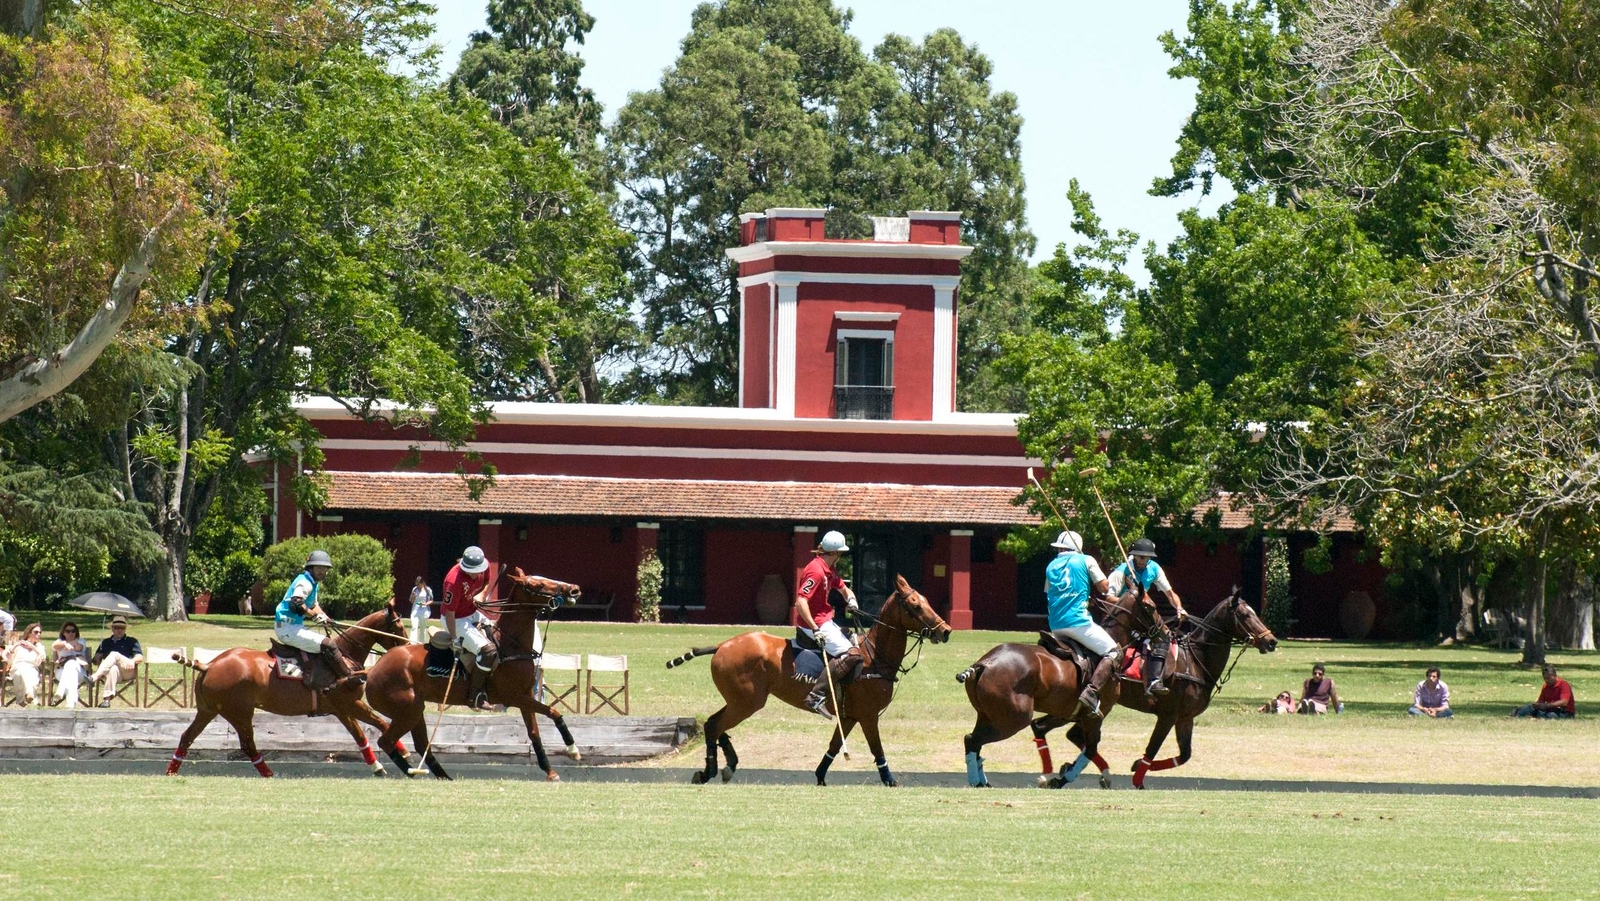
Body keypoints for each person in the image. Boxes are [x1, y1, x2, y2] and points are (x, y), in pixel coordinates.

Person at [1041, 530, 1118, 717]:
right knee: (1113, 651)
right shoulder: (1086, 559)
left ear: (1060, 547)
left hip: (1056, 625)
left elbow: (1051, 592)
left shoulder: (1051, 565)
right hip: (1078, 622)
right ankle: (1092, 692)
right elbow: (1104, 587)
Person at [1106, 537, 1187, 698]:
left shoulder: (1154, 569)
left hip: (1141, 617)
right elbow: (1109, 598)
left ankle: (1154, 681)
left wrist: (1179, 607)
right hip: (1122, 617)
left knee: (1163, 636)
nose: (1144, 560)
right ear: (1134, 555)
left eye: (1147, 557)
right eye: (1141, 556)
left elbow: (1170, 594)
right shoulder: (1122, 571)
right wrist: (1131, 603)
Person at [796, 530, 863, 716]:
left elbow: (844, 589)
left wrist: (851, 600)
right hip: (814, 623)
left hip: (825, 619)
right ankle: (815, 696)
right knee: (850, 655)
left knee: (853, 639)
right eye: (840, 553)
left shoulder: (828, 569)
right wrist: (815, 628)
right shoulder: (816, 571)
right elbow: (801, 602)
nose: (840, 556)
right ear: (833, 553)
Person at [273, 549, 358, 689]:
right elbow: (296, 604)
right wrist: (314, 616)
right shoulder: (305, 582)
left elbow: (313, 605)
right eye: (319, 568)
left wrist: (325, 617)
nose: (322, 572)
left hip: (294, 626)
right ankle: (347, 677)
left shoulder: (313, 583)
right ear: (310, 568)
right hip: (287, 628)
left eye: (325, 569)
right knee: (329, 645)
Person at [441, 545, 496, 710]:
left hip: (472, 613)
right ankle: (475, 696)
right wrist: (454, 638)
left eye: (477, 570)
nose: (475, 574)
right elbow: (450, 613)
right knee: (488, 650)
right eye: (472, 571)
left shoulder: (483, 566)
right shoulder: (453, 581)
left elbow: (486, 581)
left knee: (498, 637)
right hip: (456, 619)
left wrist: (483, 594)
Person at [90, 616, 144, 707]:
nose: (119, 630)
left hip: (127, 670)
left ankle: (94, 677)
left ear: (125, 629)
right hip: (113, 674)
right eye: (116, 628)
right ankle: (106, 701)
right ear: (112, 628)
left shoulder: (131, 641)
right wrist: (96, 658)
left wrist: (132, 661)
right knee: (113, 668)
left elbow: (140, 657)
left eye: (122, 628)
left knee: (114, 654)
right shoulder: (105, 642)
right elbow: (95, 661)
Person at [4, 623, 46, 706]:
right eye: (36, 632)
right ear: (29, 633)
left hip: (32, 669)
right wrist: (16, 645)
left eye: (40, 632)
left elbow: (43, 657)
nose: (38, 634)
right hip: (17, 666)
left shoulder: (39, 646)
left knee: (20, 673)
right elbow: (8, 658)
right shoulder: (19, 645)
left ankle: (21, 701)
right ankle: (31, 695)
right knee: (20, 670)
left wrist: (33, 647)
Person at [51, 622, 89, 708]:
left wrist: (73, 646)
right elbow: (54, 646)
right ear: (63, 632)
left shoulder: (80, 641)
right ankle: (71, 704)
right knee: (72, 675)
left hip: (80, 670)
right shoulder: (59, 641)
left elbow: (79, 647)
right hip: (61, 671)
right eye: (68, 631)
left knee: (71, 664)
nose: (71, 633)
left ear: (76, 632)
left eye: (73, 631)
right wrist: (64, 644)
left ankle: (60, 690)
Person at [409, 575, 434, 644]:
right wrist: (413, 597)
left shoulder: (428, 590)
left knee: (422, 628)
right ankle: (413, 642)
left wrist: (426, 604)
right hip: (415, 610)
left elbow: (432, 600)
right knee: (414, 626)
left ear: (422, 583)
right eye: (416, 584)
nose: (417, 585)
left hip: (424, 611)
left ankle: (421, 643)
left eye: (418, 584)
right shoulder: (414, 589)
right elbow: (411, 601)